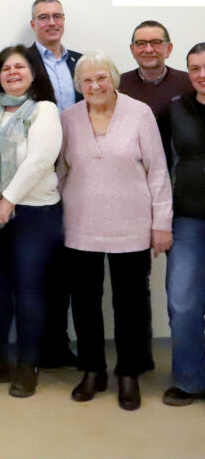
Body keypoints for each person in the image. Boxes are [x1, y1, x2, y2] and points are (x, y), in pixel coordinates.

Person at [57, 51, 172, 411]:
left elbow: (157, 171)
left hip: (132, 223)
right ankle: (93, 369)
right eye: (87, 80)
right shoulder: (68, 119)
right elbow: (60, 172)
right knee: (85, 301)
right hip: (80, 223)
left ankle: (129, 372)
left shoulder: (139, 113)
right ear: (78, 85)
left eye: (101, 78)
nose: (95, 86)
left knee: (131, 302)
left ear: (114, 79)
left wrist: (161, 224)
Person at [0, 45, 62, 397]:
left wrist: (7, 201)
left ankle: (27, 365)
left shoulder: (44, 111)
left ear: (34, 72)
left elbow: (39, 161)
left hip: (34, 215)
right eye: (5, 67)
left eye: (20, 66)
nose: (12, 72)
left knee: (28, 292)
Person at [26, 0, 82, 369]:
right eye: (43, 17)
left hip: (81, 175)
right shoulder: (22, 63)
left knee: (69, 267)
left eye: (57, 16)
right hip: (39, 178)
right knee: (40, 268)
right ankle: (41, 347)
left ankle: (60, 344)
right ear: (33, 25)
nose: (51, 22)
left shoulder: (81, 63)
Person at [163, 42, 205, 406]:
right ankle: (190, 380)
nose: (202, 75)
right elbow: (160, 165)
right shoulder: (177, 110)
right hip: (187, 220)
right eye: (194, 69)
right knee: (183, 303)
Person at [119, 20, 193, 156]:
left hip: (180, 168)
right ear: (132, 50)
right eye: (141, 43)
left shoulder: (189, 83)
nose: (148, 49)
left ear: (169, 49)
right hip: (133, 169)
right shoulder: (118, 86)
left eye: (156, 43)